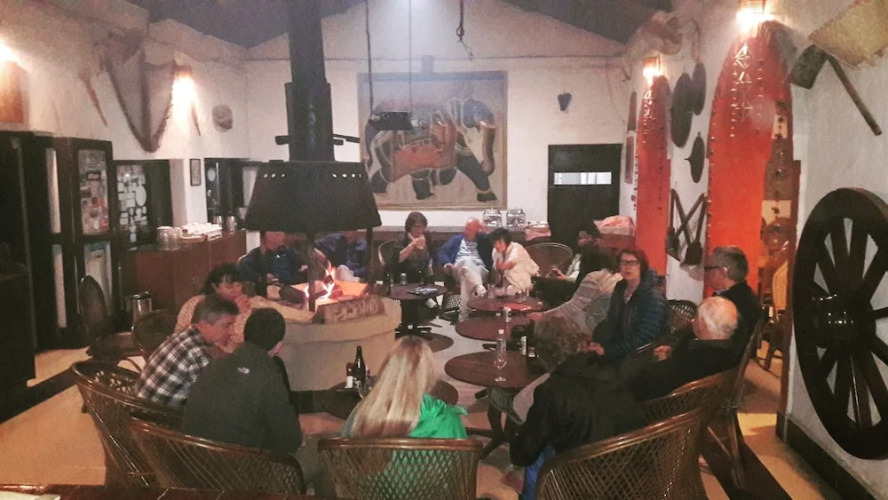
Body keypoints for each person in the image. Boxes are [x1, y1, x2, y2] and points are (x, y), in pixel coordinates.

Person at [509, 321, 645, 499]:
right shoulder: (609, 371)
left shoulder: (553, 389)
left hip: (590, 483)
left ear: (543, 357)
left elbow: (523, 454)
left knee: (538, 456)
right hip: (634, 472)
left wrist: (516, 439)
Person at [181, 308, 302, 454]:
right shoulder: (268, 379)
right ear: (278, 346)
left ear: (245, 335)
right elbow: (291, 441)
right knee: (313, 451)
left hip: (192, 458)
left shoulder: (213, 365)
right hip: (239, 464)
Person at [342, 336, 466, 438]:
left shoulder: (361, 414)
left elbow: (343, 454)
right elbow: (462, 459)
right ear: (428, 373)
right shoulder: (448, 420)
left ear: (387, 369)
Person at [135, 295, 238, 409]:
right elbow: (215, 400)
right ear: (204, 325)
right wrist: (234, 358)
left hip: (140, 407)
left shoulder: (183, 335)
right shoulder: (198, 354)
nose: (233, 332)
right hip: (157, 417)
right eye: (227, 325)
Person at [629, 297, 740, 400]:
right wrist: (672, 353)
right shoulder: (729, 349)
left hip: (663, 405)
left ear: (702, 324)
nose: (692, 321)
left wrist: (663, 362)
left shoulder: (697, 358)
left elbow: (649, 384)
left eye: (696, 317)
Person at [587, 248, 668, 360]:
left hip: (643, 354)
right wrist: (598, 342)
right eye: (623, 262)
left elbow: (644, 338)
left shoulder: (653, 296)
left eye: (633, 263)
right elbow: (611, 321)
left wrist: (608, 351)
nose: (627, 267)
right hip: (621, 346)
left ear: (641, 266)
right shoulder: (620, 287)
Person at [528, 248, 621, 336]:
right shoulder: (616, 275)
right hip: (612, 325)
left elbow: (571, 307)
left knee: (559, 320)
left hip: (596, 326)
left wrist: (543, 316)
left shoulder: (594, 278)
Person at [174, 263, 251, 353]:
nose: (235, 291)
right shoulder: (196, 303)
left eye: (238, 285)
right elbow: (182, 335)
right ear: (215, 287)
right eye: (229, 286)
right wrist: (234, 313)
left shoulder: (247, 306)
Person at [705, 246, 761, 361]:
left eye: (708, 268)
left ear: (722, 272)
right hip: (726, 357)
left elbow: (708, 339)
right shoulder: (745, 294)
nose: (706, 273)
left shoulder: (727, 303)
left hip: (720, 361)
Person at [435, 218, 494, 321]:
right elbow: (442, 252)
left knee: (466, 273)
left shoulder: (484, 241)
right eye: (466, 228)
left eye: (469, 230)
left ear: (477, 231)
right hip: (458, 269)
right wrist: (446, 263)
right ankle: (478, 287)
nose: (466, 232)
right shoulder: (457, 239)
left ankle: (463, 316)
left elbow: (495, 249)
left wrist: (485, 234)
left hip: (480, 271)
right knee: (466, 262)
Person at [238, 231, 308, 289]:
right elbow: (243, 265)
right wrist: (259, 277)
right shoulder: (257, 254)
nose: (282, 235)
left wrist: (304, 266)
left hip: (291, 289)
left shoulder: (287, 251)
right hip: (269, 293)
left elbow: (301, 261)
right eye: (277, 233)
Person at [490, 227, 539, 294]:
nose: (497, 246)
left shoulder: (516, 247)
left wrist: (503, 266)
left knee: (510, 284)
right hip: (508, 281)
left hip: (527, 281)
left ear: (506, 242)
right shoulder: (495, 251)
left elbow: (511, 263)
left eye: (500, 242)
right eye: (495, 243)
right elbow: (497, 271)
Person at [390, 211, 435, 284]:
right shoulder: (402, 239)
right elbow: (398, 259)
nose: (418, 230)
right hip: (405, 274)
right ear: (409, 227)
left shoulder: (427, 236)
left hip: (423, 273)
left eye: (421, 227)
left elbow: (433, 254)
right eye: (415, 227)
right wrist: (412, 245)